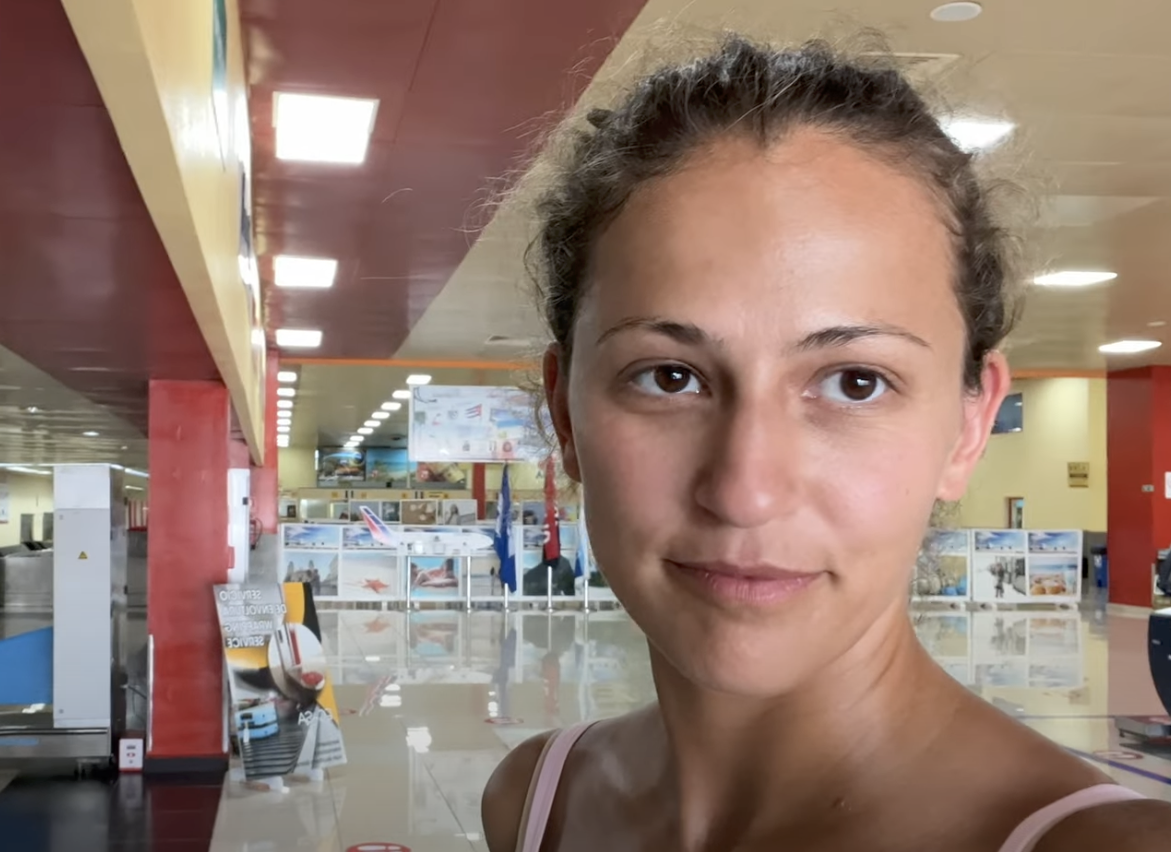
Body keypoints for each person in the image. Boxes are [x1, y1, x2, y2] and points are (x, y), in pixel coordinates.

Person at [482, 35, 1171, 852]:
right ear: (564, 414)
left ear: (968, 426)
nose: (745, 489)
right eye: (669, 377)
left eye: (855, 382)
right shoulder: (536, 802)